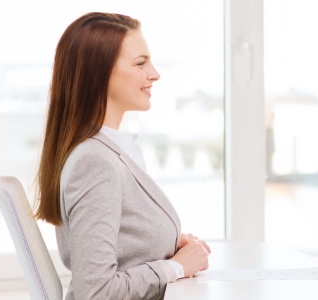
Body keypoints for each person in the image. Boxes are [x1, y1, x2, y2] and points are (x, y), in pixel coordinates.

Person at [34, 12, 210, 299]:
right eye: (140, 63)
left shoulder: (105, 151)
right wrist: (176, 267)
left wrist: (165, 245)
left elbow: (119, 246)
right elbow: (97, 292)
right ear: (98, 73)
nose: (154, 73)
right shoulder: (94, 163)